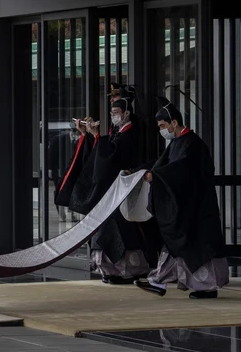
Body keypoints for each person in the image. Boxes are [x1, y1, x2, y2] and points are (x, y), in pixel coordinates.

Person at [135, 97, 229, 299]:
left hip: (196, 207)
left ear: (174, 123)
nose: (161, 129)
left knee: (190, 246)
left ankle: (198, 286)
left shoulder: (192, 144)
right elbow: (162, 165)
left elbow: (182, 170)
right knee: (177, 244)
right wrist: (142, 171)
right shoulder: (179, 143)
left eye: (162, 125)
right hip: (186, 207)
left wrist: (156, 176)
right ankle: (159, 281)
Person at [55, 96, 150, 284]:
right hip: (110, 191)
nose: (113, 116)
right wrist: (90, 136)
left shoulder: (131, 133)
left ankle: (127, 271)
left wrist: (97, 136)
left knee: (122, 230)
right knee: (105, 229)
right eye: (112, 113)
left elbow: (111, 157)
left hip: (122, 190)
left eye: (116, 112)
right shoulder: (117, 132)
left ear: (126, 113)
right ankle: (110, 271)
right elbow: (104, 152)